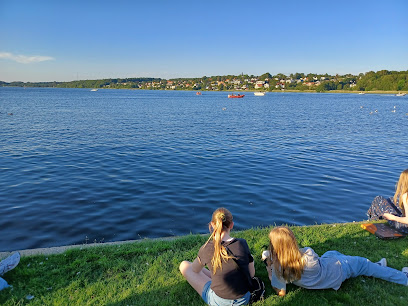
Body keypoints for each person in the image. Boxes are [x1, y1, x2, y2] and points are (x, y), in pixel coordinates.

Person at [262, 227, 408, 297]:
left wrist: (270, 269)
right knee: (362, 263)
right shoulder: (308, 254)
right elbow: (296, 254)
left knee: (331, 253)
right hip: (337, 271)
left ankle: (376, 267)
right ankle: (403, 278)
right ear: (292, 241)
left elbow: (281, 292)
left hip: (321, 275)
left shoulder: (278, 267)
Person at [179, 208, 255, 305]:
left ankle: (217, 280)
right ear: (231, 225)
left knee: (184, 265)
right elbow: (251, 274)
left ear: (212, 225)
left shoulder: (208, 248)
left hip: (220, 302)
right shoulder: (242, 243)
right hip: (244, 299)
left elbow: (195, 270)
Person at [367, 169, 408, 233]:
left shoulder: (406, 196)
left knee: (378, 200)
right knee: (391, 200)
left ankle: (373, 222)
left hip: (405, 227)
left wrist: (393, 217)